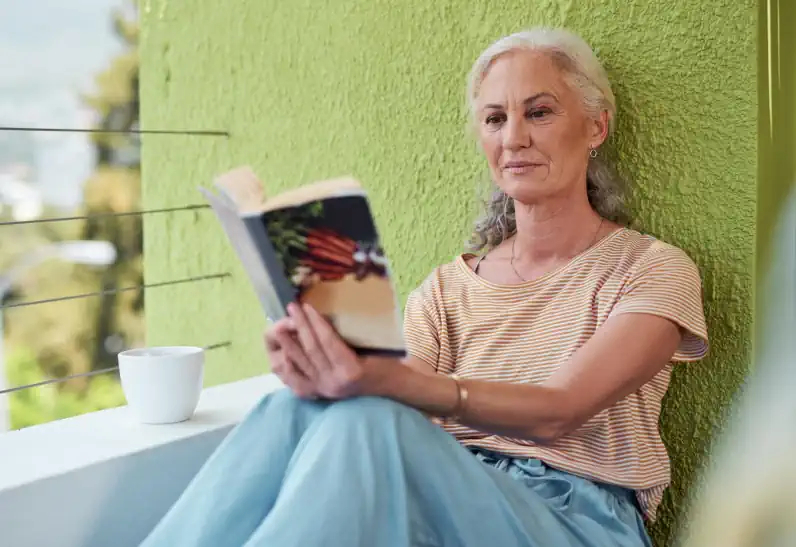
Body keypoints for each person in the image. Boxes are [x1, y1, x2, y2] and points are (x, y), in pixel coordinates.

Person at [141, 27, 708, 547]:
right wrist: (322, 364)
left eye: (539, 112)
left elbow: (560, 410)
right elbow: (394, 398)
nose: (514, 137)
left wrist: (401, 387)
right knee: (290, 408)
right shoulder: (446, 290)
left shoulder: (651, 269)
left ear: (595, 126)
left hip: (577, 520)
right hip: (447, 494)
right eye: (493, 119)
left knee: (370, 420)